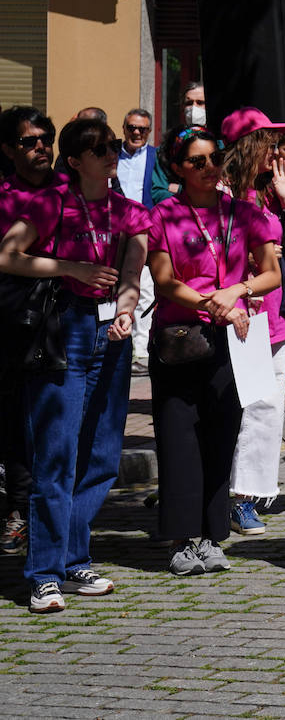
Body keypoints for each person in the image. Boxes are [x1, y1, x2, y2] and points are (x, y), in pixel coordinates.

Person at [0, 117, 150, 613]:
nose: (111, 152)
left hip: (111, 329)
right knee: (57, 454)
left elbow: (132, 270)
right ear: (75, 160)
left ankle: (72, 555)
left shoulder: (128, 210)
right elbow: (7, 255)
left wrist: (127, 308)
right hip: (63, 328)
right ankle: (43, 573)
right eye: (98, 147)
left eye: (111, 145)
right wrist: (70, 268)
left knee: (102, 454)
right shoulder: (52, 203)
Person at [147, 126, 282, 576]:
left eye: (214, 158)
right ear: (179, 169)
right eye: (198, 161)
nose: (210, 167)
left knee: (222, 435)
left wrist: (236, 290)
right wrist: (214, 302)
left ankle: (211, 536)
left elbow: (271, 274)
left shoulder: (245, 213)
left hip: (233, 337)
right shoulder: (164, 215)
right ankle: (181, 539)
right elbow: (165, 280)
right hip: (180, 336)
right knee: (178, 435)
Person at [220, 107, 285, 536]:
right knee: (243, 406)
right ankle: (229, 495)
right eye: (268, 142)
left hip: (270, 314)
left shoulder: (269, 191)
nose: (276, 151)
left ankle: (249, 494)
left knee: (267, 408)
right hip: (237, 314)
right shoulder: (222, 191)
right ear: (249, 146)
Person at [0, 106, 60, 559]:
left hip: (69, 318)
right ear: (8, 149)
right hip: (14, 320)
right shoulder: (3, 195)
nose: (41, 146)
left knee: (58, 420)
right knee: (17, 419)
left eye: (47, 138)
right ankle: (20, 512)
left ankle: (57, 517)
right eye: (29, 141)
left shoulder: (73, 188)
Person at [117, 109, 159, 374]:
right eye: (132, 127)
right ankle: (119, 340)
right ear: (124, 127)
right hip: (114, 228)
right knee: (115, 285)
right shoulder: (111, 154)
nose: (136, 133)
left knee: (145, 289)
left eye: (142, 129)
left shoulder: (156, 157)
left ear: (149, 131)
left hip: (145, 228)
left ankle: (140, 351)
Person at [149, 83, 207, 205]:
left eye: (200, 102)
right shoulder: (167, 148)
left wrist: (181, 190)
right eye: (189, 103)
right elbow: (158, 192)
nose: (194, 108)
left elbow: (220, 190)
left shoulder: (221, 146)